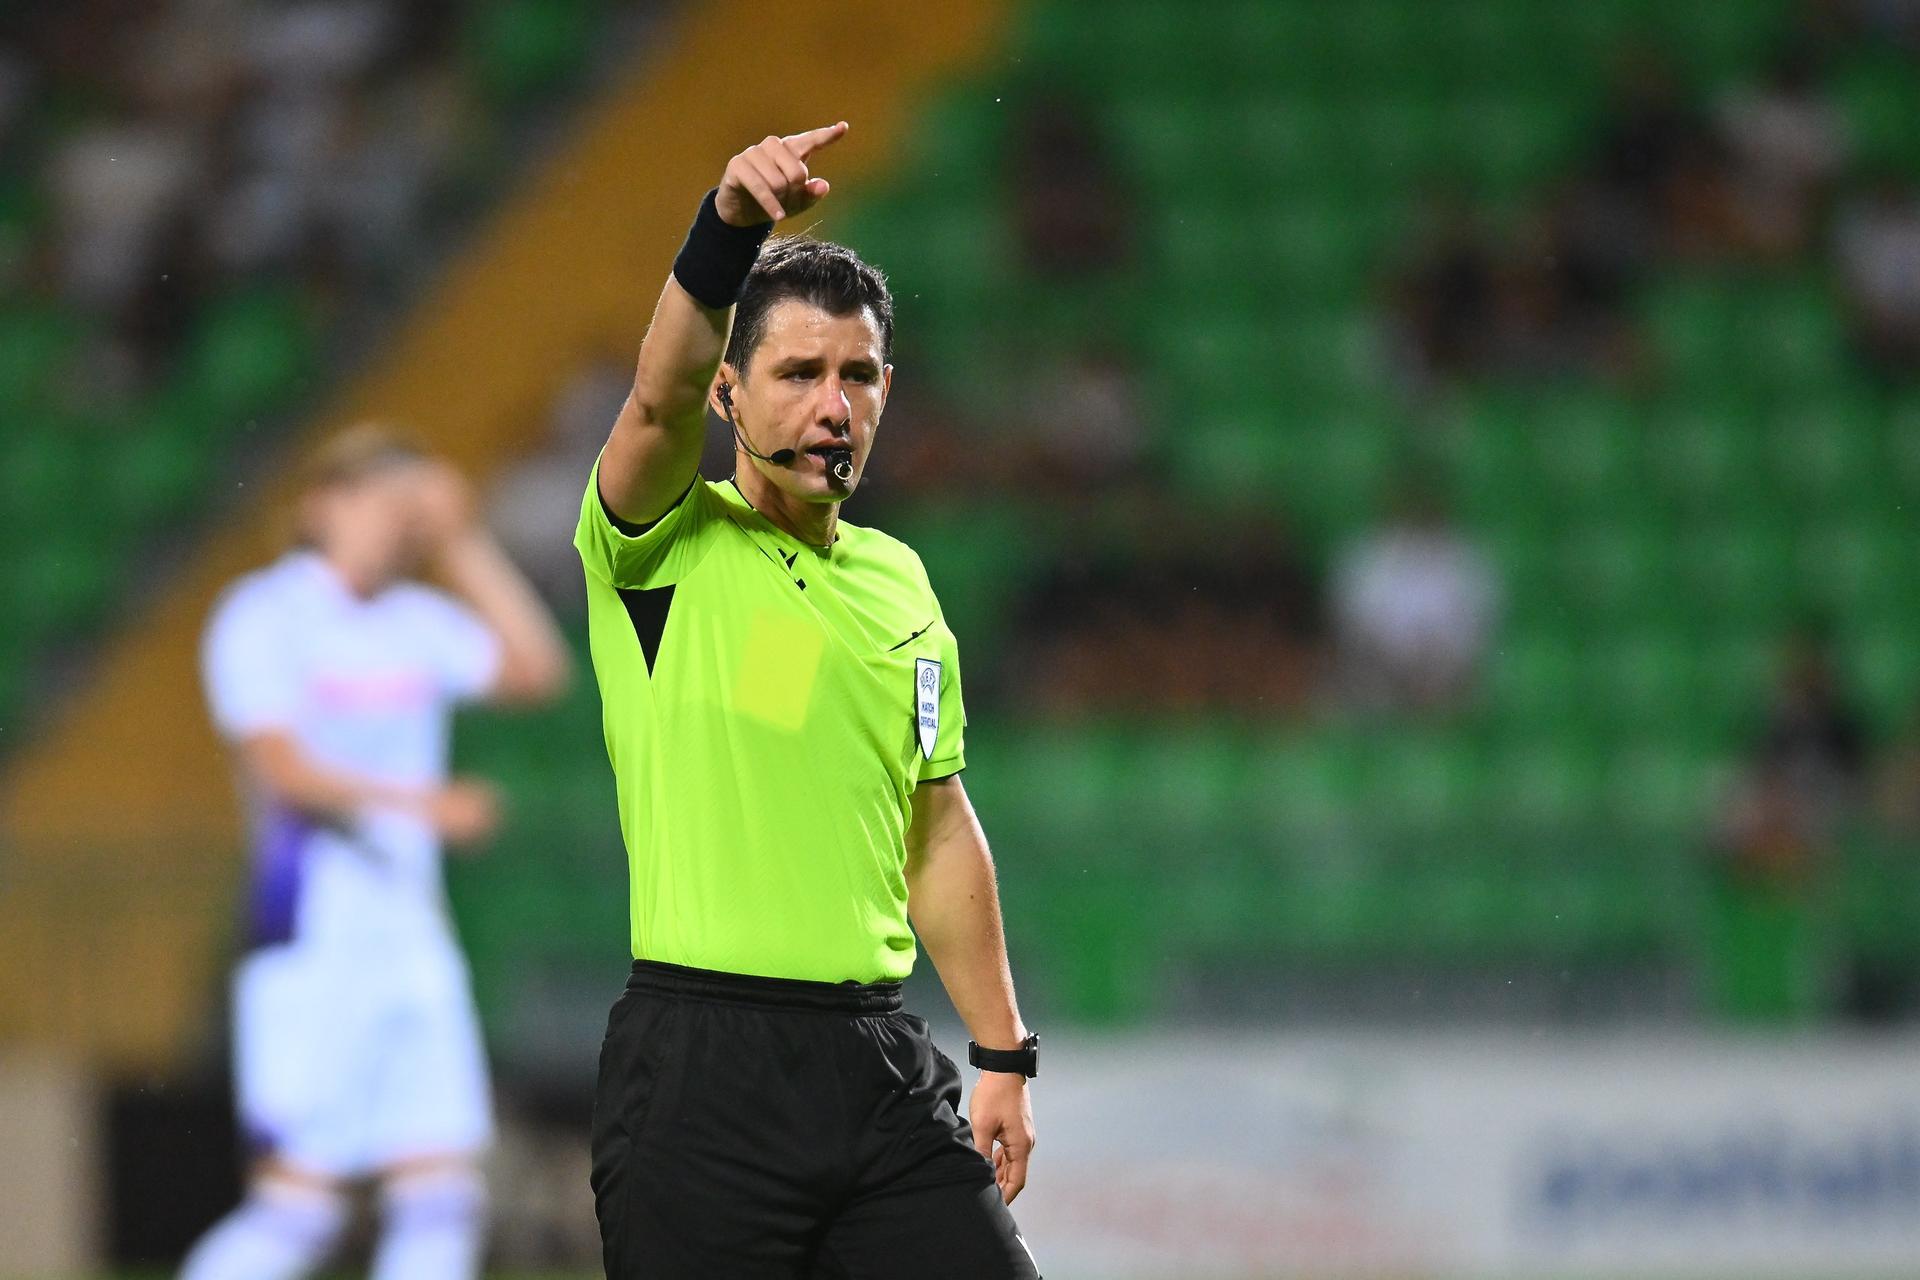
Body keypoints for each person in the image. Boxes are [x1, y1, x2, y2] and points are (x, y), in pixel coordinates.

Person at [577, 123, 1042, 1278]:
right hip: (700, 1072)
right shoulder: (663, 551)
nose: (832, 404)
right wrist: (728, 226)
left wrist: (1001, 1049)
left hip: (876, 1062)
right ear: (730, 393)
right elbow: (651, 401)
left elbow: (936, 823)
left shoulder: (899, 582)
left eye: (858, 375)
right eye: (797, 373)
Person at [181, 425, 571, 1280]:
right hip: (312, 939)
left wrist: (463, 542)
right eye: (384, 502)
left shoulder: (414, 622)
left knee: (440, 1198)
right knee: (299, 1209)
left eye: (411, 512)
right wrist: (421, 805)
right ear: (324, 502)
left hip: (411, 939)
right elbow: (279, 767)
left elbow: (538, 673)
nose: (396, 524)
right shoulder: (264, 613)